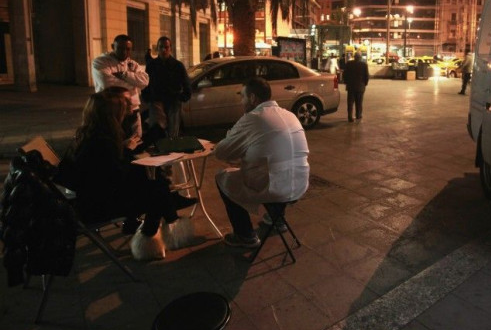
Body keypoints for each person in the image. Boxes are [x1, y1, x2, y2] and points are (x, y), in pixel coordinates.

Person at [68, 91, 194, 260]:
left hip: (94, 197)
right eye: (123, 110)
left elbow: (111, 171)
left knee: (155, 183)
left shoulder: (91, 134)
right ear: (111, 115)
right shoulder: (101, 142)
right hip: (98, 206)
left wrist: (126, 148)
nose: (127, 112)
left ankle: (156, 231)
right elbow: (115, 174)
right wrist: (127, 151)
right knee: (157, 191)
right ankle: (161, 225)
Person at [214, 77, 310, 248]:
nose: (241, 102)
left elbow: (221, 151)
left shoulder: (253, 118)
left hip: (276, 186)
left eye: (243, 97)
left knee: (224, 177)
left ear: (252, 98)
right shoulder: (289, 114)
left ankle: (245, 235)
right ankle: (277, 219)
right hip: (300, 183)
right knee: (271, 167)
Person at [92, 34, 149, 139]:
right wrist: (133, 83)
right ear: (113, 46)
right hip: (112, 110)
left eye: (128, 49)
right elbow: (108, 83)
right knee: (114, 140)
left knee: (136, 139)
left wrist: (124, 75)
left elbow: (145, 82)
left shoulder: (133, 64)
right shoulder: (101, 62)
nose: (124, 52)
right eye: (120, 48)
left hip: (133, 108)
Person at [144, 36, 192, 138]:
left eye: (166, 47)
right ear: (157, 48)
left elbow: (186, 82)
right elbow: (145, 83)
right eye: (161, 47)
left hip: (173, 101)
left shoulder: (178, 65)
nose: (163, 50)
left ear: (170, 48)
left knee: (173, 131)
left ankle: (172, 150)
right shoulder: (152, 65)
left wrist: (183, 97)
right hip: (156, 101)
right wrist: (147, 97)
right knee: (156, 130)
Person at [342, 51, 369, 123]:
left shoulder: (349, 64)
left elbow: (344, 74)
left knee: (350, 103)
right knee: (359, 102)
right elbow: (366, 76)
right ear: (360, 58)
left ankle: (350, 117)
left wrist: (346, 82)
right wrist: (365, 84)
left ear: (354, 57)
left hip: (351, 87)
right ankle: (358, 115)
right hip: (360, 87)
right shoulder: (364, 65)